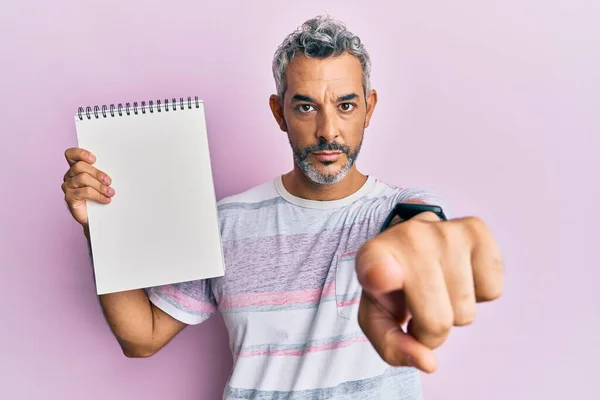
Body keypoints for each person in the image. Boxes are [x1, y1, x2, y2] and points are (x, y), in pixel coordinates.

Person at [61, 15, 503, 400]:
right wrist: (98, 224)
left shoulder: (399, 208)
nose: (328, 131)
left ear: (368, 109)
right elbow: (142, 337)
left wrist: (427, 238)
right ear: (279, 113)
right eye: (306, 107)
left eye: (345, 105)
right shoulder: (225, 222)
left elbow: (421, 228)